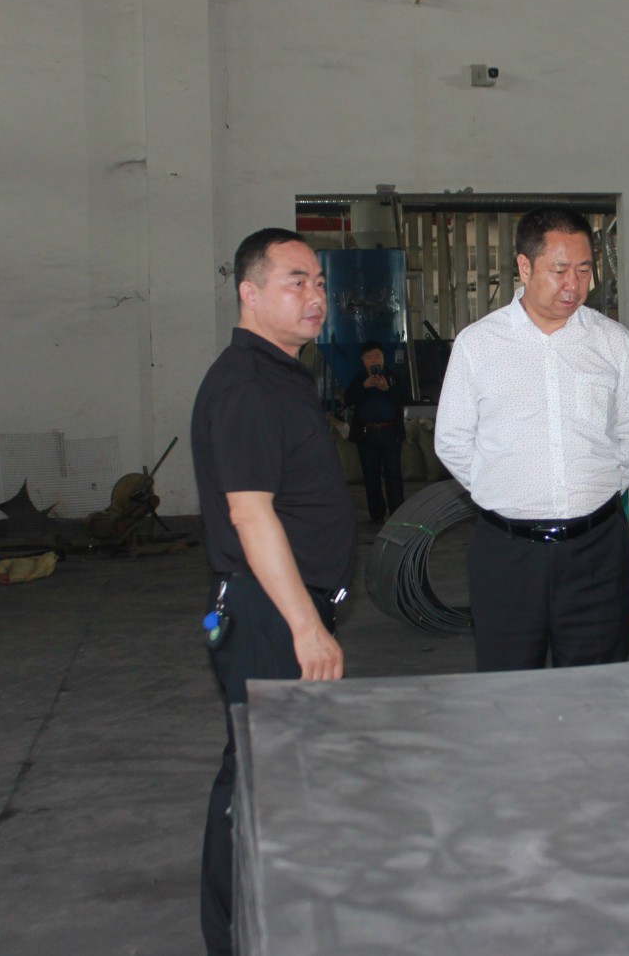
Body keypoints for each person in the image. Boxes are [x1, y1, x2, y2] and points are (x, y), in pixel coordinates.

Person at [190, 227, 353, 955]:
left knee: (272, 774)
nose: (314, 296)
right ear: (249, 293)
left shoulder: (282, 375)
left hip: (282, 608)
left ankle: (266, 924)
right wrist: (305, 628)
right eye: (296, 282)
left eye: (318, 283)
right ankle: (239, 936)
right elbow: (250, 515)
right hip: (270, 613)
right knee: (260, 779)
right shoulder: (247, 387)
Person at [434, 207, 629, 672]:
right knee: (510, 689)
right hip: (508, 553)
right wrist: (503, 490)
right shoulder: (479, 345)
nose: (573, 285)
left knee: (597, 686)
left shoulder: (613, 343)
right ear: (524, 267)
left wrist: (595, 486)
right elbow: (452, 440)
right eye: (559, 270)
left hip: (596, 551)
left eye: (584, 270)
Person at [343, 339, 406, 522]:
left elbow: (404, 397)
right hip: (367, 434)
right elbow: (348, 399)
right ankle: (377, 515)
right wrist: (363, 387)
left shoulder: (393, 377)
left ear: (383, 358)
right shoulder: (358, 379)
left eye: (377, 356)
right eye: (369, 357)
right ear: (363, 360)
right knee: (371, 477)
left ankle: (397, 515)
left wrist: (386, 388)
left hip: (390, 433)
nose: (374, 360)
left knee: (393, 475)